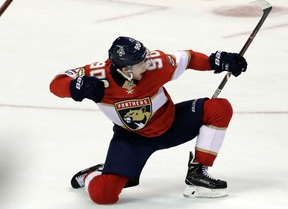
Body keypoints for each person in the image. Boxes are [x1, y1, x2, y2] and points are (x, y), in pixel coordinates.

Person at [49, 36, 247, 204]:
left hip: (171, 124)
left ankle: (197, 174)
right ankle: (92, 174)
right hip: (131, 140)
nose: (147, 63)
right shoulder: (98, 75)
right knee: (104, 195)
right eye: (140, 63)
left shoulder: (157, 63)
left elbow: (190, 58)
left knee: (219, 108)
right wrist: (75, 87)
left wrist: (218, 61)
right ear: (125, 69)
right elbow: (57, 83)